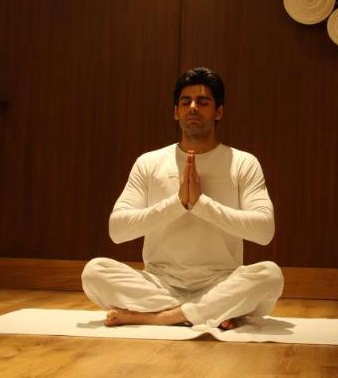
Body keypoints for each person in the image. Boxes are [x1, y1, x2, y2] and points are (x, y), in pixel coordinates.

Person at [82, 67, 283, 329]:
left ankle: (162, 316)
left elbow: (264, 231)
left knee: (270, 275)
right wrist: (177, 204)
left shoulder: (244, 163)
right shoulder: (149, 162)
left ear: (219, 112)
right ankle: (206, 312)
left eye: (203, 102)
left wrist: (201, 204)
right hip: (160, 282)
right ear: (176, 112)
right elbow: (117, 230)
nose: (193, 108)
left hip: (221, 282)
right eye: (185, 102)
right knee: (94, 272)